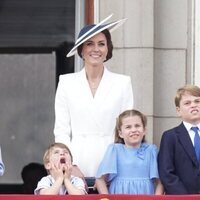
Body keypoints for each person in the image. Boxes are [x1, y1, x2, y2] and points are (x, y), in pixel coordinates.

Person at [54, 14, 134, 177]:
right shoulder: (66, 82)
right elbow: (61, 130)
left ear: (108, 49)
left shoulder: (122, 83)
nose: (95, 49)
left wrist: (117, 165)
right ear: (81, 50)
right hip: (77, 164)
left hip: (113, 165)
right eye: (89, 44)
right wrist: (70, 165)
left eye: (101, 44)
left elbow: (127, 129)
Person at [95, 109, 163, 194]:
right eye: (128, 127)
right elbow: (100, 179)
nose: (133, 130)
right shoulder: (114, 150)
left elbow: (160, 182)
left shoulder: (151, 151)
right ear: (120, 133)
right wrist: (106, 198)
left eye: (137, 125)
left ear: (144, 130)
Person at [158, 85, 200, 194]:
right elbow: (166, 173)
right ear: (178, 110)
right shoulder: (170, 137)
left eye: (197, 101)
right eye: (187, 103)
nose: (193, 105)